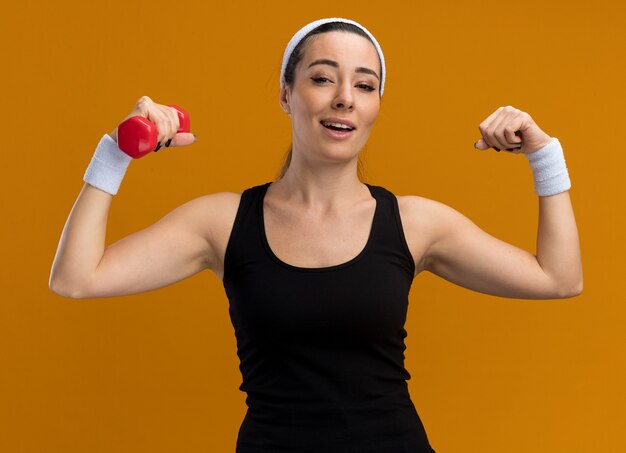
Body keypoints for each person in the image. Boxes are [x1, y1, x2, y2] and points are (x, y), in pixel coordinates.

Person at [49, 17, 583, 453]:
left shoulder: (416, 223)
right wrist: (114, 154)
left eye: (365, 85)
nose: (345, 98)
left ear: (375, 105)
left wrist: (545, 157)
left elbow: (558, 278)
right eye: (323, 78)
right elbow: (76, 279)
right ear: (287, 94)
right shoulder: (222, 221)